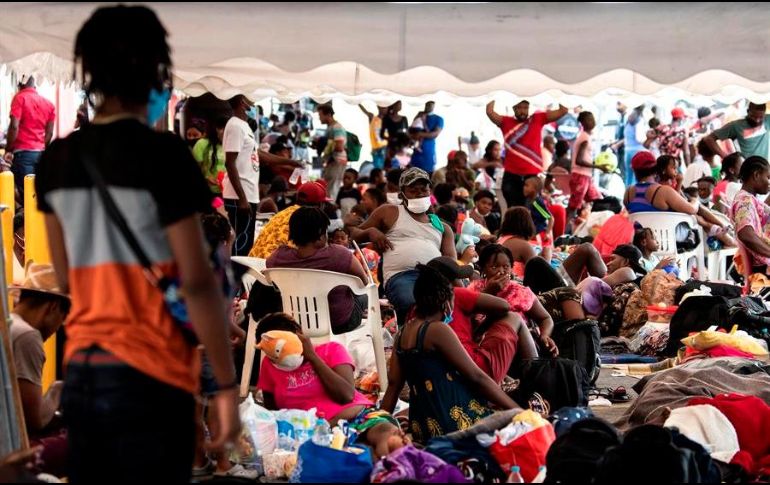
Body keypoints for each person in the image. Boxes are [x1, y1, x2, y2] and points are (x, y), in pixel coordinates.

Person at [35, 6, 239, 482]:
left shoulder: (57, 159)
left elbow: (65, 278)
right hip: (154, 375)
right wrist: (226, 387)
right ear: (156, 70)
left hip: (85, 369)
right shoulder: (164, 155)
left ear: (90, 70)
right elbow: (197, 283)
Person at [381, 265, 520, 443]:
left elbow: (393, 386)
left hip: (422, 427)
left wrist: (378, 424)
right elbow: (477, 377)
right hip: (453, 422)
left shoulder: (402, 334)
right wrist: (518, 411)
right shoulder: (438, 330)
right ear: (446, 303)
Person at [256, 313, 409, 460]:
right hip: (315, 434)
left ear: (299, 335)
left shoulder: (331, 350)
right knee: (362, 452)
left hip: (359, 418)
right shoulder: (269, 365)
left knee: (387, 435)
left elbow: (346, 396)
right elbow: (272, 415)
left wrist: (312, 357)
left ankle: (392, 464)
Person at [347, 167, 456, 325]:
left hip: (434, 279)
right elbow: (353, 233)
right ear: (402, 194)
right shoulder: (389, 212)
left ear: (429, 192)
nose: (419, 194)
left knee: (449, 306)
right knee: (413, 304)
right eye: (413, 190)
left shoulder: (442, 227)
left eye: (423, 190)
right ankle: (416, 335)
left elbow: (451, 262)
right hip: (402, 276)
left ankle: (429, 334)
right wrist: (371, 232)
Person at [9, 264, 70, 477]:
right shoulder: (27, 336)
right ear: (53, 307)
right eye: (61, 320)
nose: (56, 330)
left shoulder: (10, 325)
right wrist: (58, 390)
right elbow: (33, 421)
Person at [267, 207, 369, 334]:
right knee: (363, 296)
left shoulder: (278, 257)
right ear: (321, 234)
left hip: (295, 322)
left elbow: (268, 272)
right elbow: (364, 282)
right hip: (338, 324)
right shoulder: (339, 254)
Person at [468, 245, 558, 357]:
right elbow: (467, 319)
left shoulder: (519, 291)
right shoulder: (473, 290)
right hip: (483, 346)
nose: (501, 272)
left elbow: (545, 318)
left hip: (519, 347)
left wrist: (545, 335)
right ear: (484, 268)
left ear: (511, 268)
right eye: (494, 267)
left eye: (506, 267)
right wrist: (488, 292)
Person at [624, 151, 729, 236]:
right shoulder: (663, 191)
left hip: (642, 242)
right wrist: (695, 201)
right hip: (669, 239)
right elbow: (692, 209)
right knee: (694, 214)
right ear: (655, 168)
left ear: (634, 170)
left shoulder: (628, 193)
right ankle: (719, 227)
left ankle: (715, 227)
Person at [486, 99, 568, 207]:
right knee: (513, 210)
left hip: (532, 176)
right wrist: (494, 94)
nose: (522, 111)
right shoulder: (505, 122)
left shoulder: (538, 118)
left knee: (531, 209)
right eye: (519, 108)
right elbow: (490, 112)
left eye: (525, 108)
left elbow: (563, 111)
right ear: (514, 109)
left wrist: (557, 94)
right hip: (511, 176)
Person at [498, 207, 607, 285]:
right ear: (526, 224)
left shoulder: (502, 240)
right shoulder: (522, 245)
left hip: (530, 284)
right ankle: (608, 283)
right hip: (545, 288)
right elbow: (540, 273)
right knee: (587, 248)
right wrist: (547, 255)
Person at [3, 75, 56, 201]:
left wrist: (8, 149)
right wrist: (40, 147)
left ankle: (23, 213)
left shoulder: (20, 98)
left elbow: (14, 127)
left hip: (23, 155)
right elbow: (49, 133)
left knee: (24, 195)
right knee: (36, 195)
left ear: (20, 83)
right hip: (40, 154)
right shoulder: (49, 104)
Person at [248, 180, 330, 259]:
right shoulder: (314, 219)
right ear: (320, 205)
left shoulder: (282, 213)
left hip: (253, 263)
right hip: (275, 266)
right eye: (325, 204)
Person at [222, 94, 260, 256]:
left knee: (245, 244)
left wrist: (289, 162)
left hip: (248, 193)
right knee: (240, 246)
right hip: (239, 195)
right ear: (242, 101)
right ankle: (236, 272)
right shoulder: (235, 125)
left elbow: (256, 153)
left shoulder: (243, 125)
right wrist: (242, 198)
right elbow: (230, 163)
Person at [730, 156, 770, 275]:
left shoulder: (748, 199)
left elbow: (765, 212)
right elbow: (745, 234)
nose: (769, 182)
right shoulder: (744, 201)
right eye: (768, 177)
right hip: (763, 269)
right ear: (756, 175)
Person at [568, 111, 602, 222]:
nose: (592, 122)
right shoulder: (584, 138)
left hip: (585, 175)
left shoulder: (586, 136)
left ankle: (587, 223)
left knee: (596, 200)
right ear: (582, 123)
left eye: (592, 119)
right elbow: (579, 160)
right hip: (580, 175)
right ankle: (563, 228)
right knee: (573, 206)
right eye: (588, 120)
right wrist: (598, 166)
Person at [706, 102, 770, 160]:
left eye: (761, 117)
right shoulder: (736, 125)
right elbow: (709, 138)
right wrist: (724, 156)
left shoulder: (767, 120)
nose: (757, 120)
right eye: (753, 117)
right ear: (748, 111)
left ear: (764, 114)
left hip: (765, 167)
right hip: (746, 166)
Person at [317, 103, 348, 201]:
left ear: (328, 114)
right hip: (331, 161)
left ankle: (330, 208)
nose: (319, 118)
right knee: (327, 188)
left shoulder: (337, 127)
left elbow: (339, 146)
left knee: (331, 191)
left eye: (320, 115)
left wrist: (324, 144)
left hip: (337, 161)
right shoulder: (330, 127)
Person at [192, 116, 228, 196]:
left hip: (227, 192)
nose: (223, 131)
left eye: (226, 128)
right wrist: (206, 177)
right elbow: (193, 170)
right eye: (220, 127)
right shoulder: (202, 144)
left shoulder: (231, 145)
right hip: (207, 192)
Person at [409, 101, 444, 174]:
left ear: (434, 105)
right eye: (427, 104)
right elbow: (412, 129)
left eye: (430, 105)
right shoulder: (420, 115)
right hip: (416, 153)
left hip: (428, 152)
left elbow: (435, 134)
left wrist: (420, 134)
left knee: (428, 173)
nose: (428, 106)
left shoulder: (438, 119)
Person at [622, 105, 648, 186]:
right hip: (637, 151)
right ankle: (635, 193)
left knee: (628, 176)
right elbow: (639, 138)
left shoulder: (628, 121)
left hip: (627, 150)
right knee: (636, 176)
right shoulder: (639, 120)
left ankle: (627, 192)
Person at [360, 104, 389, 169]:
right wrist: (358, 102)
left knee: (385, 168)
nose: (385, 109)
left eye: (386, 108)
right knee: (378, 168)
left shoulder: (388, 120)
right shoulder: (373, 118)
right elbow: (365, 111)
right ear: (378, 107)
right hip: (376, 149)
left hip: (385, 148)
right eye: (384, 107)